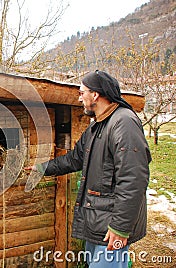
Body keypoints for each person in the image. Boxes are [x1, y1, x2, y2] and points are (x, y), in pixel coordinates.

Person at [25, 70, 151, 267]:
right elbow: (75, 159)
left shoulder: (123, 122)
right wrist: (42, 168)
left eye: (82, 92)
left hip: (111, 225)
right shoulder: (97, 126)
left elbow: (134, 179)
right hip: (97, 220)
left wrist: (120, 227)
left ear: (96, 95)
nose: (79, 97)